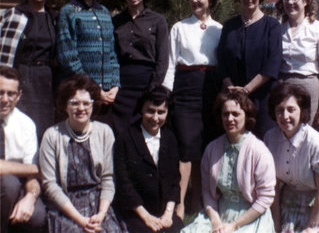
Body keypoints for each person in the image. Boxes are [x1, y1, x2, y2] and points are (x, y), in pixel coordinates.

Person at [163, 0, 222, 218]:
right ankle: (179, 204)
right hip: (185, 89)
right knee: (186, 147)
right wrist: (167, 94)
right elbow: (169, 63)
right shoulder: (179, 27)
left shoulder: (219, 29)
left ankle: (201, 202)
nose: (196, 0)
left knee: (206, 147)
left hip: (211, 88)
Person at [39, 74, 126, 232]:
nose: (81, 108)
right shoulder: (51, 135)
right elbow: (50, 185)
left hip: (99, 204)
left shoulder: (105, 132)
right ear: (65, 106)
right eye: (74, 103)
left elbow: (108, 178)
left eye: (86, 103)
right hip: (65, 207)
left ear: (93, 105)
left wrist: (101, 214)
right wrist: (80, 220)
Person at [182, 88, 276, 233]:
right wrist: (216, 222)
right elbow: (207, 192)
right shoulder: (212, 149)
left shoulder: (259, 151)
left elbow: (265, 198)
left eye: (236, 114)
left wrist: (234, 226)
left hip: (251, 216)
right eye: (225, 114)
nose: (230, 119)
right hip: (218, 213)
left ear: (247, 116)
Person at [264, 82, 319, 232]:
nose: (285, 116)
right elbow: (273, 187)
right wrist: (275, 222)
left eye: (291, 110)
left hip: (318, 201)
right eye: (280, 110)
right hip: (290, 199)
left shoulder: (315, 143)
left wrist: (310, 228)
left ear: (302, 111)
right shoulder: (270, 138)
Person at [0, 0, 60, 140]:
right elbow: (3, 56)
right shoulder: (14, 14)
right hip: (21, 78)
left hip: (46, 82)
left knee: (44, 130)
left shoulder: (54, 17)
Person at [217, 0, 282, 138]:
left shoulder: (272, 26)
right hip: (234, 102)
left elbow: (273, 63)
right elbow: (222, 60)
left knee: (264, 146)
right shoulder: (229, 26)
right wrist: (232, 89)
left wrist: (246, 90)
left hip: (263, 98)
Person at [114, 88, 183, 233]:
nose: (155, 117)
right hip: (136, 213)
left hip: (164, 213)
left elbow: (175, 181)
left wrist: (168, 214)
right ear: (141, 109)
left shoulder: (170, 138)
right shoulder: (125, 138)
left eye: (161, 112)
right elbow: (124, 184)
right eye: (150, 111)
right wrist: (146, 217)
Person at [57, 0, 120, 110]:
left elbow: (112, 54)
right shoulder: (68, 11)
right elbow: (68, 58)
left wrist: (115, 85)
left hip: (108, 96)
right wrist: (94, 89)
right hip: (80, 96)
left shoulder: (104, 12)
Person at [112, 0, 169, 135]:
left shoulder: (158, 20)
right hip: (121, 87)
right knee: (121, 133)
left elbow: (162, 60)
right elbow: (111, 57)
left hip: (147, 84)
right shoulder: (115, 21)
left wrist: (151, 89)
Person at [275, 0, 319, 137]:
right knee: (285, 134)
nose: (290, 2)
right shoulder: (278, 30)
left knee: (311, 135)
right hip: (283, 86)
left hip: (309, 88)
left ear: (306, 0)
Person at [0, 66, 47, 233]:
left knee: (37, 216)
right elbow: (33, 169)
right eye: (0, 92)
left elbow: (32, 176)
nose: (5, 99)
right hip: (8, 187)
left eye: (11, 93)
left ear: (18, 96)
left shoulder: (26, 124)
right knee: (9, 183)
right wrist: (32, 168)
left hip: (10, 191)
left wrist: (30, 197)